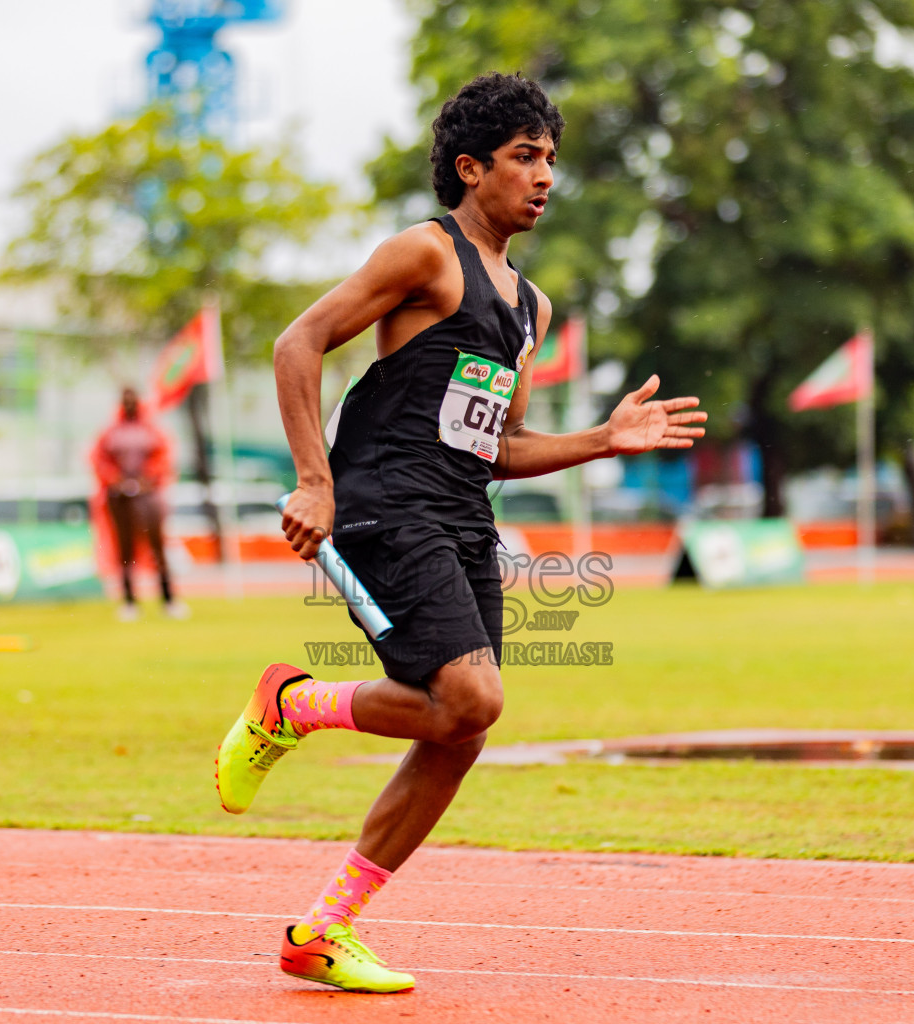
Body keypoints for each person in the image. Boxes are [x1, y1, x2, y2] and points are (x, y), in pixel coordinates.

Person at [213, 73, 706, 993]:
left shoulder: (532, 310)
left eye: (552, 158)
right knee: (472, 700)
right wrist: (314, 483)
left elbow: (502, 448)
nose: (545, 176)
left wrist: (602, 440)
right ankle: (294, 705)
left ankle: (323, 931)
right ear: (471, 168)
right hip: (382, 505)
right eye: (526, 157)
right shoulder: (426, 256)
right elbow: (298, 343)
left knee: (458, 728)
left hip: (458, 516)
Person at [90, 386, 187, 621]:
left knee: (157, 546)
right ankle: (129, 601)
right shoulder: (111, 432)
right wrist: (116, 480)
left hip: (148, 494)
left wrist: (146, 479)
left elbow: (164, 458)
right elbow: (99, 460)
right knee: (124, 549)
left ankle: (168, 599)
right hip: (119, 496)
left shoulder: (151, 430)